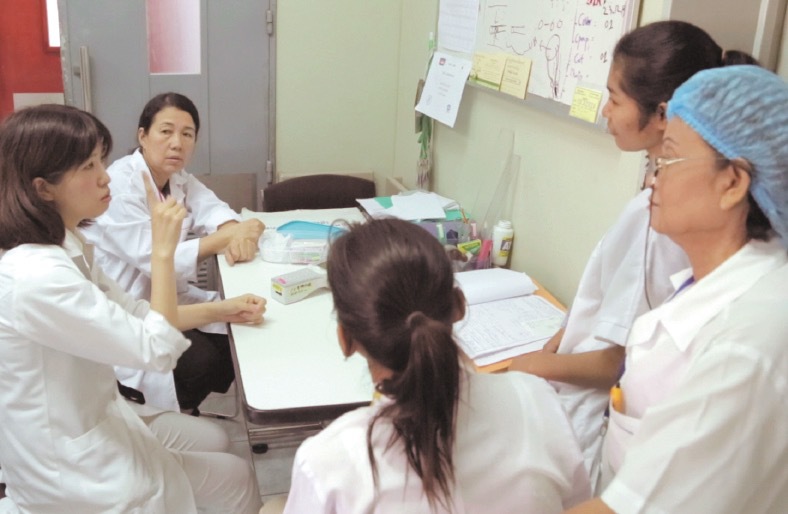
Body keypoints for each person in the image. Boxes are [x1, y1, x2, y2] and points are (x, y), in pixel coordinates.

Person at [509, 21, 756, 484]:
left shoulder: (663, 220)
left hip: (594, 423)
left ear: (662, 114)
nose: (606, 110)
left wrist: (529, 366)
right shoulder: (663, 207)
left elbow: (615, 361)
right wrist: (567, 332)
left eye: (615, 98)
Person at [0, 104, 263, 512]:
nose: (104, 176)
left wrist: (234, 252)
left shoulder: (69, 247)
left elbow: (136, 309)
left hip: (99, 411)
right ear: (43, 189)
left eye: (188, 134)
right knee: (234, 475)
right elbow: (157, 348)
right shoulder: (38, 277)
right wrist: (163, 251)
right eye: (88, 166)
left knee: (218, 442)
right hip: (72, 468)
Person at [566, 64, 788, 513]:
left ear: (732, 183)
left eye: (667, 159)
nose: (652, 179)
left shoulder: (743, 346)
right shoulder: (721, 279)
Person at [283, 218, 591, 513]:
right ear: (459, 306)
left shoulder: (328, 464)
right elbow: (579, 504)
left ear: (346, 339)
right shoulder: (538, 401)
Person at [83, 92, 266, 414]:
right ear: (143, 136)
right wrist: (227, 237)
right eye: (166, 131)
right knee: (202, 361)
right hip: (130, 308)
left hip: (170, 300)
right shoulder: (121, 186)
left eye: (187, 134)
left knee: (235, 340)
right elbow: (153, 259)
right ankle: (166, 418)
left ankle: (183, 412)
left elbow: (215, 210)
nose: (177, 143)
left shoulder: (177, 179)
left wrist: (239, 232)